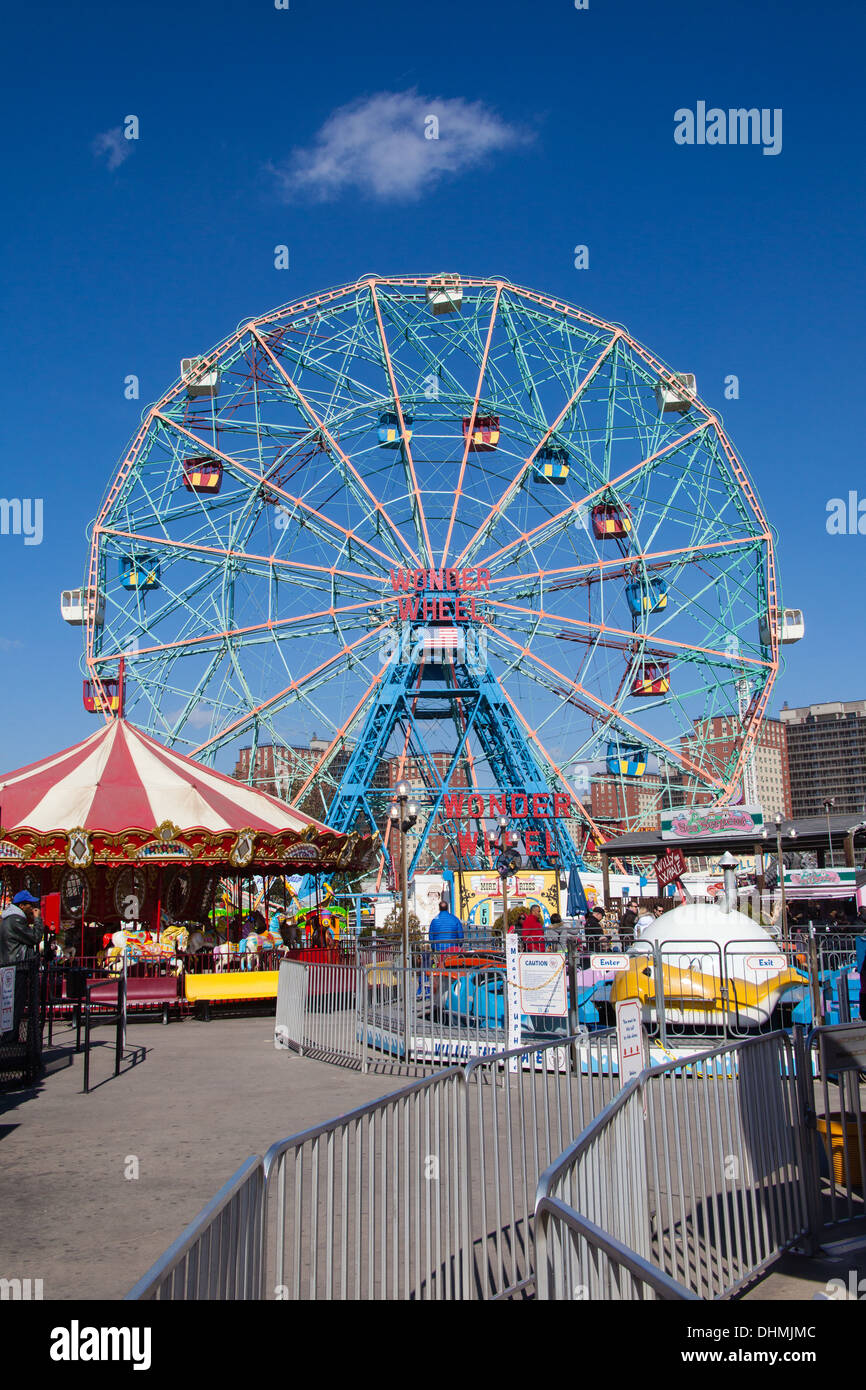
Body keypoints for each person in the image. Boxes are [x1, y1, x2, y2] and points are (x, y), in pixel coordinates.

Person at [0, 891, 44, 965]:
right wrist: (37, 919)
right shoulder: (16, 920)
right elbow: (35, 937)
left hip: (11, 964)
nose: (33, 907)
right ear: (21, 906)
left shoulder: (9, 919)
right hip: (18, 965)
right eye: (30, 904)